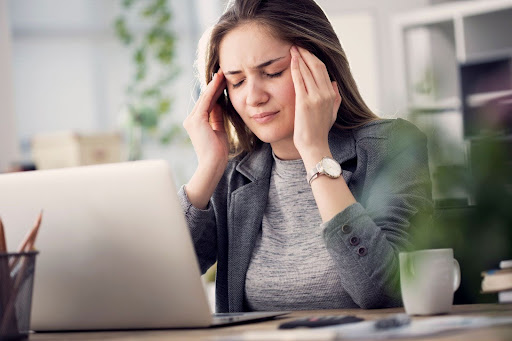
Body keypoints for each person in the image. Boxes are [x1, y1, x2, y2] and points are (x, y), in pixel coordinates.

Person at [179, 0, 432, 313]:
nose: (254, 97)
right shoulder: (233, 174)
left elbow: (383, 292)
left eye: (272, 72)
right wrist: (209, 166)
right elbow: (159, 281)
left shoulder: (391, 145)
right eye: (238, 81)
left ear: (321, 67)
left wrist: (315, 152)